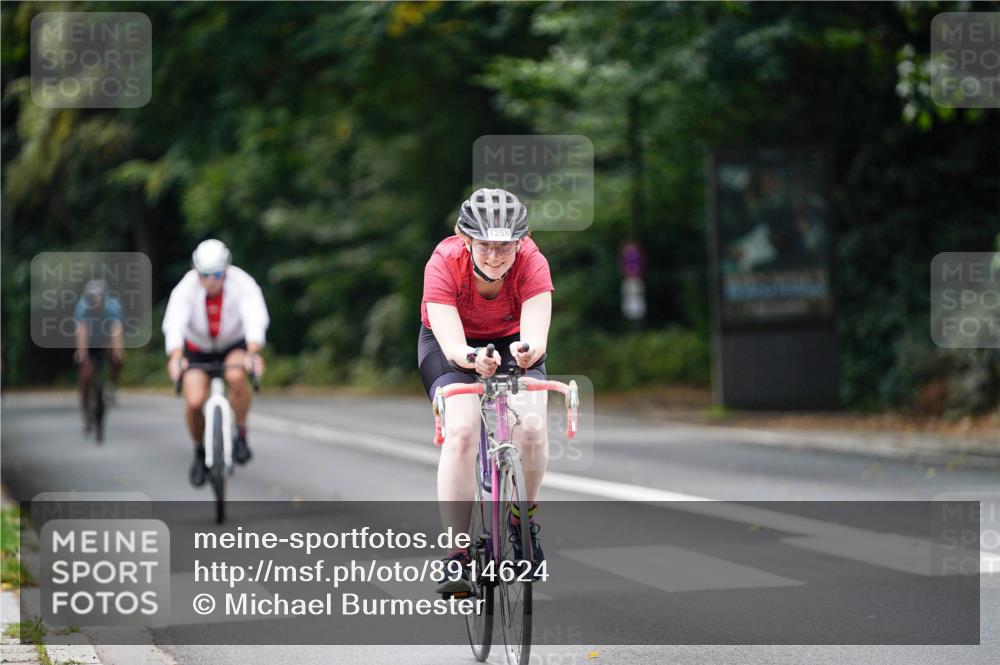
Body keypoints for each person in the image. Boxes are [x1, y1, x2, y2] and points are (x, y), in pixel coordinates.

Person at [418, 188, 554, 594]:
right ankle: (457, 554)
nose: (496, 256)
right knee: (461, 432)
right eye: (485, 246)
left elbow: (536, 335)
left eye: (505, 247)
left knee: (529, 427)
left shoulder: (532, 261)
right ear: (466, 239)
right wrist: (471, 359)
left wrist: (526, 352)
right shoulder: (444, 262)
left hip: (513, 342)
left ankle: (522, 519)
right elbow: (453, 344)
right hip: (451, 345)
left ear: (521, 243)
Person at [162, 239, 269, 487]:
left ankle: (241, 434)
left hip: (233, 345)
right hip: (197, 350)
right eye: (205, 275)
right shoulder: (186, 288)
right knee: (195, 400)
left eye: (218, 274)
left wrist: (253, 352)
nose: (211, 281)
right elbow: (174, 322)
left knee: (236, 376)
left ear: (227, 270)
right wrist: (176, 356)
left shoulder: (243, 283)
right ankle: (200, 452)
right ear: (197, 273)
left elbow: (255, 316)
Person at [74, 279, 124, 432]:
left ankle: (112, 385)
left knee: (118, 358)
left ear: (104, 298)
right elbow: (81, 331)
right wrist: (82, 353)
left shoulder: (113, 307)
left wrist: (118, 351)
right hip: (89, 342)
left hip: (106, 339)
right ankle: (85, 414)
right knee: (86, 376)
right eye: (90, 298)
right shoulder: (83, 308)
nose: (93, 302)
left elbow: (116, 330)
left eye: (97, 298)